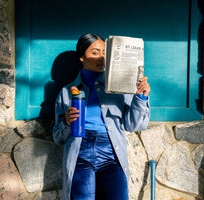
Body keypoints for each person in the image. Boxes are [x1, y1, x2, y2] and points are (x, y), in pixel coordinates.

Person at [53, 33, 150, 200]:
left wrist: (141, 98)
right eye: (95, 52)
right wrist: (67, 123)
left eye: (105, 52)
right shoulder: (66, 92)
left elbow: (133, 126)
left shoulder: (120, 87)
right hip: (80, 152)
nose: (102, 58)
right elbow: (58, 137)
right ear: (82, 57)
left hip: (111, 152)